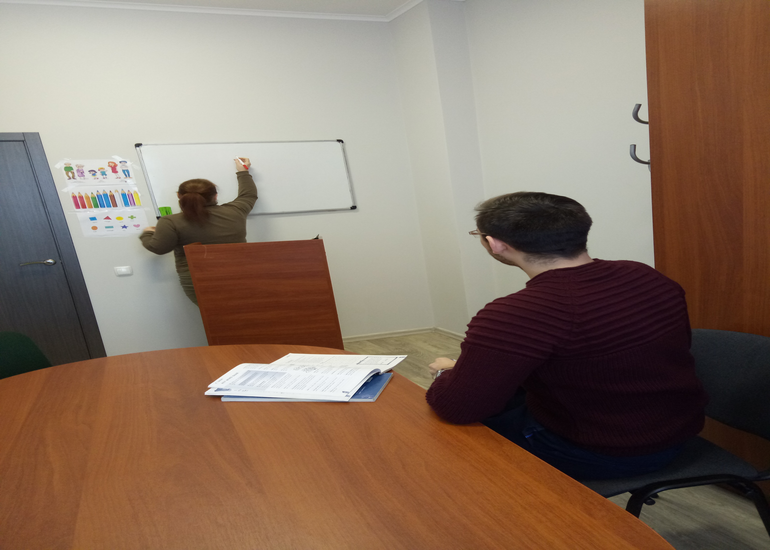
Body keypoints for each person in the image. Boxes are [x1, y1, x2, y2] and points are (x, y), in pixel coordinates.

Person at [425, 191, 707, 480]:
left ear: (495, 244)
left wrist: (447, 373)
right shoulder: (645, 275)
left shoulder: (517, 314)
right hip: (677, 431)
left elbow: (456, 407)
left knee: (441, 431)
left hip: (602, 451)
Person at [139, 158, 258, 305]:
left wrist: (148, 233)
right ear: (215, 196)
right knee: (243, 313)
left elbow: (158, 248)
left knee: (215, 315)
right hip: (239, 273)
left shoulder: (170, 221)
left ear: (179, 196)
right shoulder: (235, 211)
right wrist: (243, 171)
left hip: (197, 279)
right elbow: (249, 195)